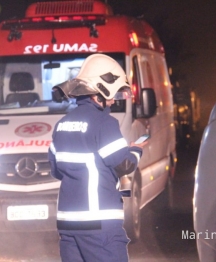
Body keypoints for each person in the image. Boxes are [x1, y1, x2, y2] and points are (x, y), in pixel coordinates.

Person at [48, 54, 147, 262]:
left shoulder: (62, 125)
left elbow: (57, 171)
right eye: (112, 94)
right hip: (99, 225)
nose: (112, 100)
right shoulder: (105, 123)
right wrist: (136, 150)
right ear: (99, 92)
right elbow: (124, 164)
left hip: (68, 225)